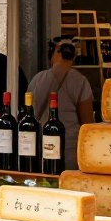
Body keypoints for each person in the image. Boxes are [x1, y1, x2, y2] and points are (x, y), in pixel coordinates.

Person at [27, 36, 95, 170]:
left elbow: (30, 115)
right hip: (70, 154)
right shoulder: (79, 81)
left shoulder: (37, 79)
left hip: (43, 150)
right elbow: (87, 124)